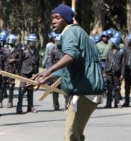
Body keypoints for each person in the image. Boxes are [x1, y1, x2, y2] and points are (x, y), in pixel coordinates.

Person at [31, 4, 104, 141]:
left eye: (57, 18)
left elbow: (71, 55)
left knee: (71, 134)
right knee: (75, 133)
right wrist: (50, 76)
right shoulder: (78, 33)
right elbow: (73, 65)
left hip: (85, 93)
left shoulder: (70, 32)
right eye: (52, 18)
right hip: (84, 92)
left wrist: (49, 70)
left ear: (66, 19)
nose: (53, 21)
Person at [16, 33, 40, 114]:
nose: (32, 43)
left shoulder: (36, 51)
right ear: (28, 42)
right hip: (24, 72)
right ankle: (19, 107)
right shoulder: (23, 50)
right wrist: (19, 72)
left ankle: (30, 107)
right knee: (22, 89)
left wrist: (36, 74)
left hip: (32, 72)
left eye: (34, 42)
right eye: (31, 42)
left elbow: (37, 63)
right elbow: (19, 62)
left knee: (30, 89)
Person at [0, 34, 20, 108]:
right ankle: (0, 101)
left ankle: (10, 102)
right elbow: (0, 60)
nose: (11, 42)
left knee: (11, 86)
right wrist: (1, 70)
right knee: (2, 86)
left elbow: (20, 60)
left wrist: (14, 60)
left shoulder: (17, 49)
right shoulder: (3, 49)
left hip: (12, 70)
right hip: (5, 70)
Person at [103, 36, 124, 108]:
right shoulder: (109, 52)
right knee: (109, 88)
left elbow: (123, 64)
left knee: (117, 88)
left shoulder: (121, 53)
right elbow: (107, 62)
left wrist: (122, 74)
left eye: (112, 43)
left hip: (117, 73)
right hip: (109, 72)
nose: (111, 44)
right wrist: (104, 72)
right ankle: (108, 103)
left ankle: (117, 102)